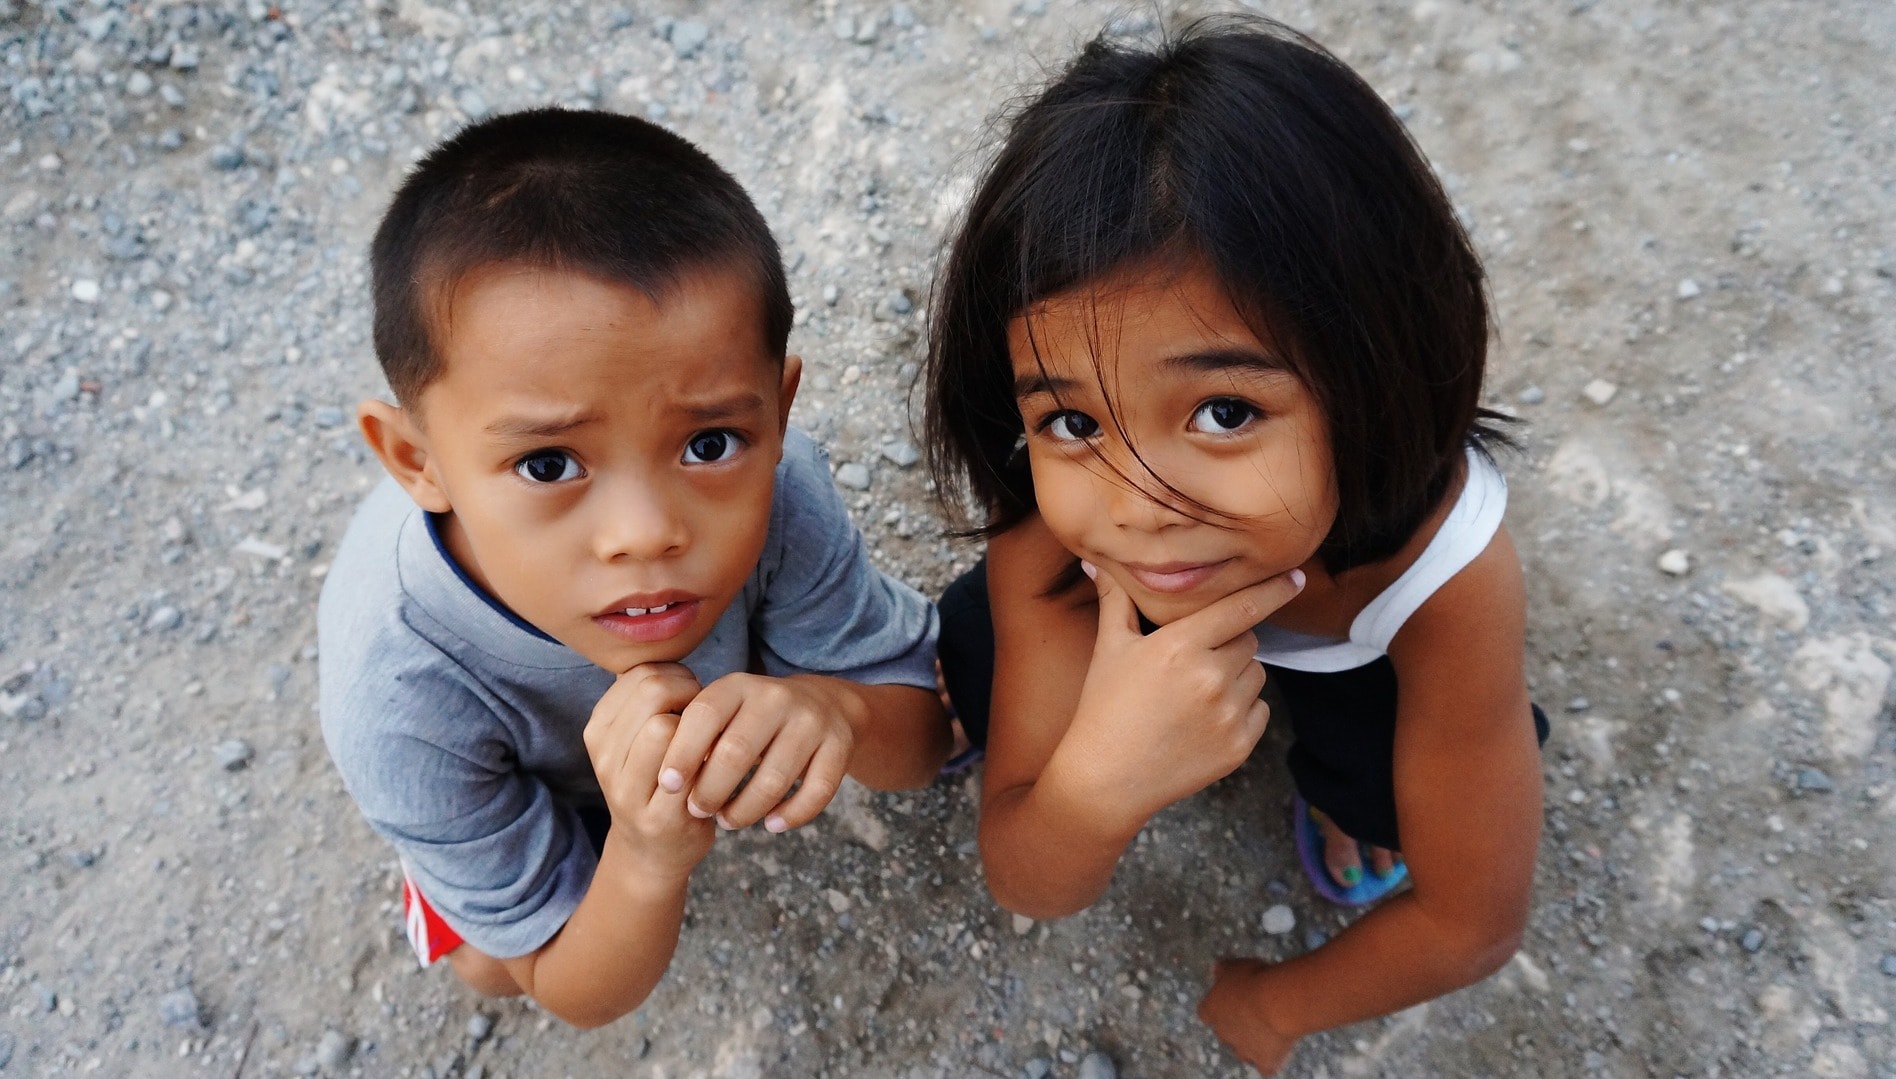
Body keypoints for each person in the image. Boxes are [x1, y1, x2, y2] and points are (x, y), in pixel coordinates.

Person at [922, 18, 1548, 1074]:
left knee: (1403, 783)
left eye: (1222, 410)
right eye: (1072, 421)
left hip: (1365, 640)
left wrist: (1277, 1002)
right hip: (1098, 626)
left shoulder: (1445, 576)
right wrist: (1093, 786)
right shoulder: (1058, 546)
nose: (1140, 501)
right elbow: (1030, 874)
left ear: (1374, 374)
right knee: (974, 653)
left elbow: (1472, 920)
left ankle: (1346, 794)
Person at [317, 108, 949, 1028]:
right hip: (541, 783)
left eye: (709, 442)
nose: (645, 534)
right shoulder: (401, 698)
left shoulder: (784, 490)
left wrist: (836, 707)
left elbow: (923, 734)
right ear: (418, 460)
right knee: (496, 966)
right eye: (547, 464)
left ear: (778, 414)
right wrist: (648, 857)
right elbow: (575, 992)